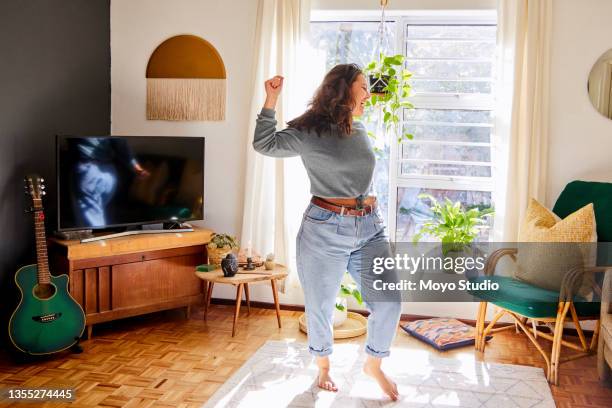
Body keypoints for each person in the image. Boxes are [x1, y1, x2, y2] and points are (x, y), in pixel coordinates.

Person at [253, 64, 402, 401]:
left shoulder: (357, 125)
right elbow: (264, 143)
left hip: (369, 227)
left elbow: (354, 172)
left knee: (389, 301)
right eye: (362, 87)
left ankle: (374, 364)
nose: (367, 94)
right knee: (320, 306)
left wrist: (363, 198)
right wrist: (271, 99)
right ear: (344, 89)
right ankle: (322, 368)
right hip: (324, 229)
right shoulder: (309, 132)